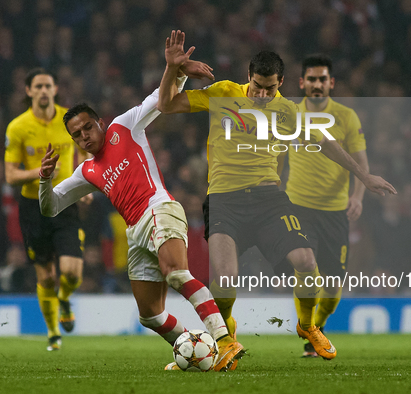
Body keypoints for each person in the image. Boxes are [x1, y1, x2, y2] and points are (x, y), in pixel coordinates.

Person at [157, 31, 397, 360]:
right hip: (225, 199)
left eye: (270, 87)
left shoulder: (287, 111)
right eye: (257, 85)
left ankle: (307, 325)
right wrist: (174, 69)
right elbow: (167, 104)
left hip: (270, 200)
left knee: (307, 261)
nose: (262, 94)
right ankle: (226, 327)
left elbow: (327, 142)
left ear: (281, 82)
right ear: (248, 77)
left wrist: (363, 176)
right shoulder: (224, 93)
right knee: (225, 281)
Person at [38, 36, 245, 372]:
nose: (85, 136)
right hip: (136, 230)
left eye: (88, 127)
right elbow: (51, 207)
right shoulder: (86, 171)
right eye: (77, 134)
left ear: (100, 122)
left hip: (160, 209)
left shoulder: (125, 126)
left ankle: (223, 340)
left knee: (177, 273)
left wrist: (175, 68)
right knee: (150, 314)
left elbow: (159, 100)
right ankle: (194, 352)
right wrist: (45, 181)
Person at [284, 54, 369, 357]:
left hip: (335, 211)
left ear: (331, 83)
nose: (316, 84)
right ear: (302, 82)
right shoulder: (290, 114)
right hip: (299, 206)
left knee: (332, 288)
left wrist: (357, 196)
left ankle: (315, 328)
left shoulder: (346, 117)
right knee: (304, 264)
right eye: (311, 79)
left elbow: (361, 165)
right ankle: (307, 324)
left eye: (322, 79)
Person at [5, 68, 86, 351]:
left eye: (47, 86)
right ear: (28, 91)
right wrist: (40, 173)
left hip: (64, 200)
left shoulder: (70, 120)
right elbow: (11, 176)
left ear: (55, 89)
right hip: (32, 207)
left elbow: (87, 149)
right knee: (46, 276)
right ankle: (53, 332)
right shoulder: (17, 127)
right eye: (37, 86)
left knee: (72, 272)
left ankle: (64, 298)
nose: (42, 91)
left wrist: (88, 179)